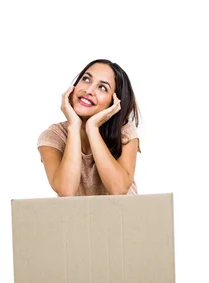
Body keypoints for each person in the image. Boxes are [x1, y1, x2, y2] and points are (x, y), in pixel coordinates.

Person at [37, 59, 142, 197]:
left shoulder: (124, 131)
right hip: (79, 218)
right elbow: (66, 191)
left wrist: (92, 128)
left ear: (114, 101)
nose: (89, 90)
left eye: (102, 87)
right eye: (86, 79)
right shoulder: (52, 137)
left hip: (123, 216)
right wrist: (74, 126)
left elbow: (118, 190)